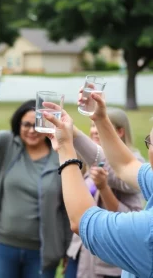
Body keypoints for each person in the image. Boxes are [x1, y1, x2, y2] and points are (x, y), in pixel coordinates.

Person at [0, 81, 72, 278]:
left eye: (36, 125)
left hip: (42, 252)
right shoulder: (7, 143)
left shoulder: (61, 155)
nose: (31, 130)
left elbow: (67, 209)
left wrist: (67, 248)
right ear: (18, 124)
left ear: (46, 124)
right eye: (26, 124)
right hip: (3, 247)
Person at [42, 93, 153, 278]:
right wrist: (97, 120)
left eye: (149, 141)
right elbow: (125, 165)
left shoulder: (149, 232)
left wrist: (65, 148)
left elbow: (82, 220)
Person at [64, 108, 144, 278]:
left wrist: (104, 188)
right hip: (79, 253)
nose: (94, 130)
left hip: (106, 263)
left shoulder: (136, 163)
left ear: (120, 132)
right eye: (92, 125)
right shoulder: (88, 159)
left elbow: (128, 220)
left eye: (99, 126)